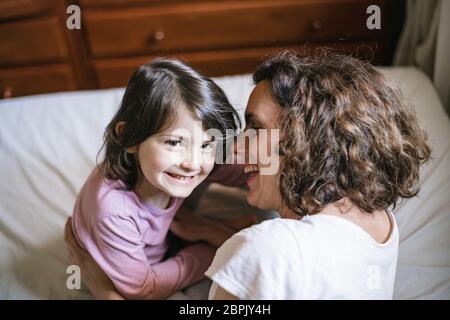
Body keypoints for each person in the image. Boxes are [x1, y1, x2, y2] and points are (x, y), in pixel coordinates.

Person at [66, 51, 431, 299]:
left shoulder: (263, 250)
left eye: (253, 130)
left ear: (304, 142)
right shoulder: (378, 216)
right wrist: (212, 231)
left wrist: (104, 290)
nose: (234, 149)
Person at [69, 58, 253, 300]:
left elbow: (245, 170)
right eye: (174, 142)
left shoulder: (179, 165)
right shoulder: (114, 212)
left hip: (166, 234)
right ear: (129, 137)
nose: (192, 163)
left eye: (207, 145)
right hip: (139, 262)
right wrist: (214, 248)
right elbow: (143, 289)